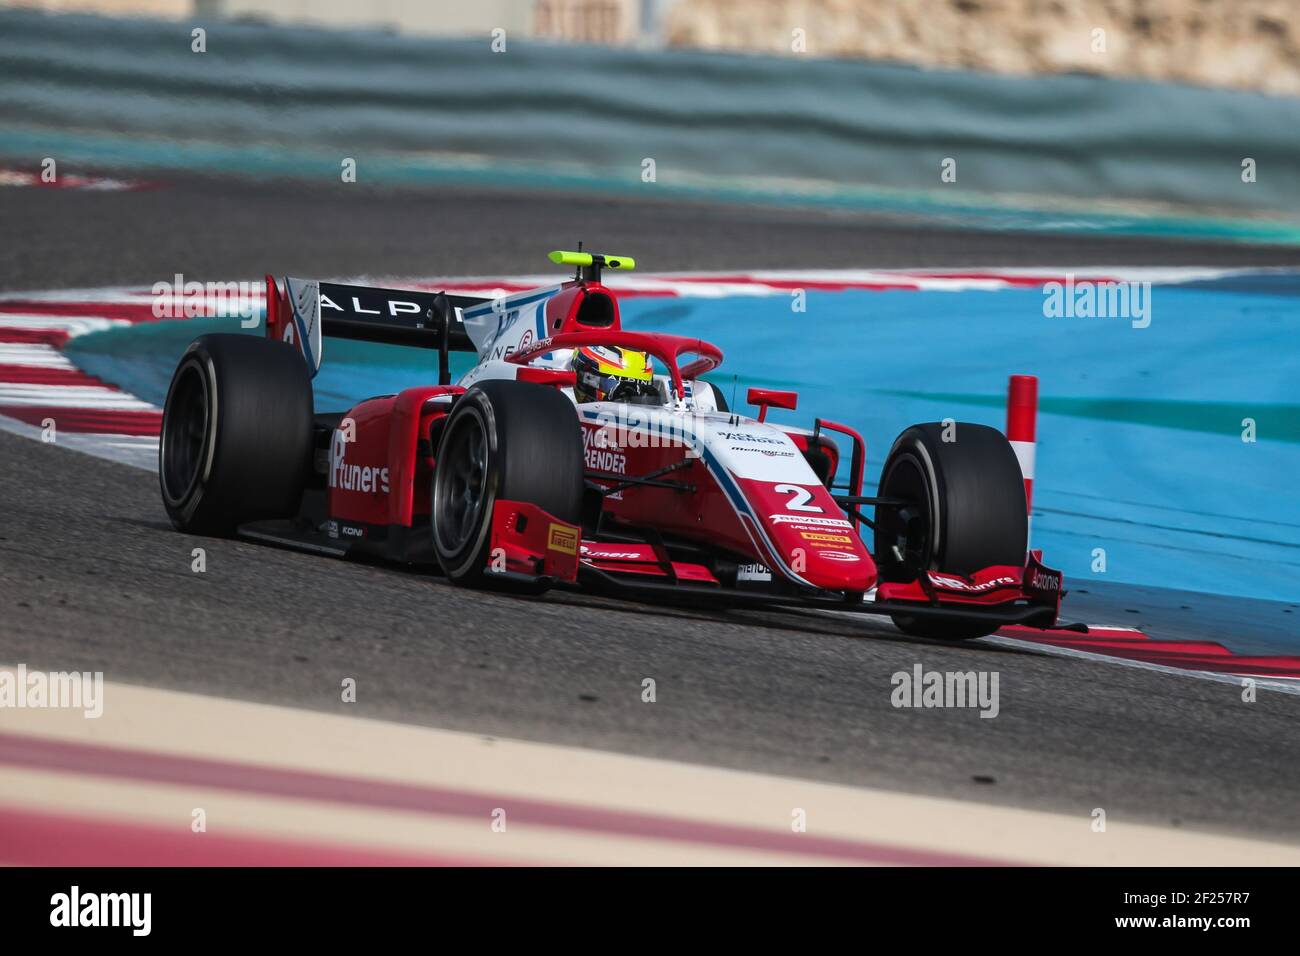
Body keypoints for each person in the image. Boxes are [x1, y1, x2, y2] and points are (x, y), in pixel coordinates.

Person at [571, 345, 659, 404]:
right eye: (612, 383)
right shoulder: (562, 408)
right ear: (585, 378)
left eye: (639, 386)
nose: (626, 400)